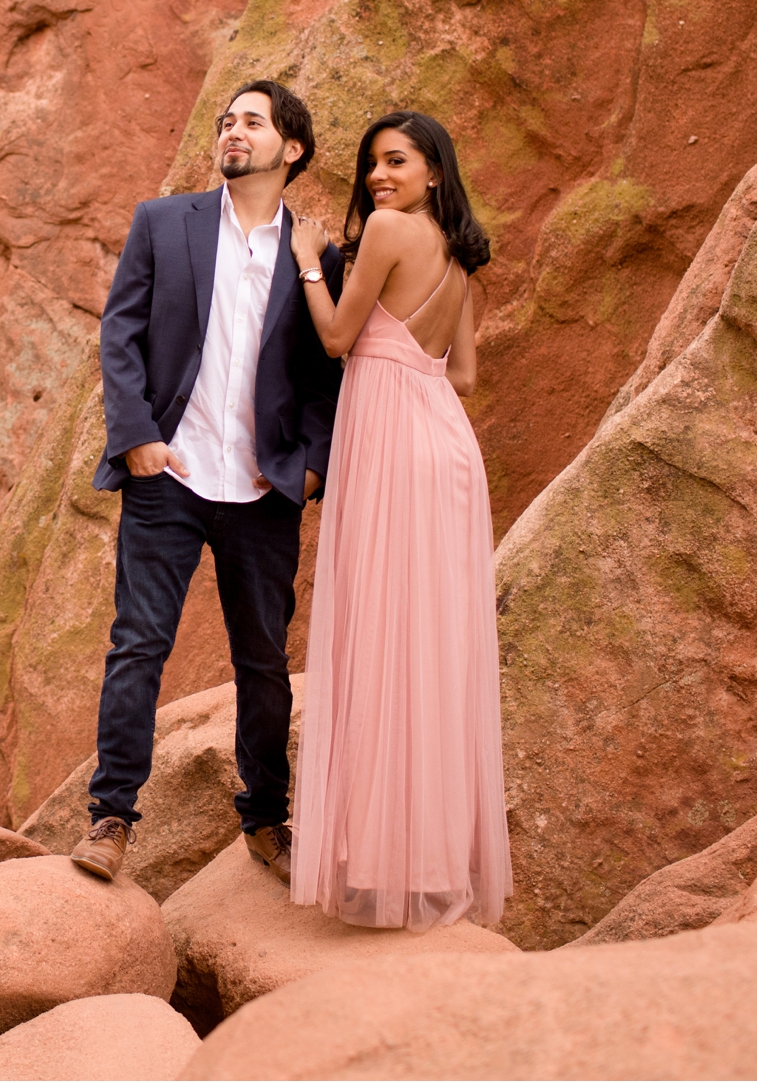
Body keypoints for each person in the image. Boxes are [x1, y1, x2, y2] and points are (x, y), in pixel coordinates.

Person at [69, 80, 346, 884]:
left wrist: (312, 464)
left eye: (252, 122)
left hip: (262, 490)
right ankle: (111, 816)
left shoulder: (313, 253)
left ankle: (266, 816)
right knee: (138, 647)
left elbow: (329, 371)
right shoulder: (165, 222)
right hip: (171, 475)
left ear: (290, 148)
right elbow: (120, 331)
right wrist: (138, 439)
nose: (233, 132)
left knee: (262, 662)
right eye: (228, 121)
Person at [283, 109, 510, 930]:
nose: (379, 176)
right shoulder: (459, 256)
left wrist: (311, 263)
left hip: (388, 444)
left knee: (380, 637)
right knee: (430, 652)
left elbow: (340, 336)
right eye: (373, 164)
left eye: (397, 161)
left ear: (433, 172)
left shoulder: (385, 229)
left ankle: (378, 860)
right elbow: (468, 375)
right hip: (445, 444)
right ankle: (430, 863)